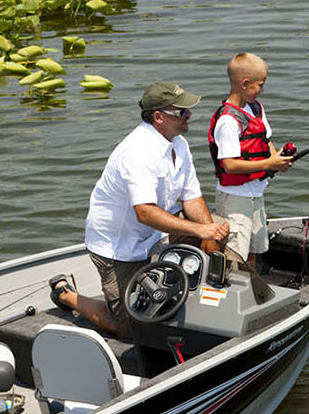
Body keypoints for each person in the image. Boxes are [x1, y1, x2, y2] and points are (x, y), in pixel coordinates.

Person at [51, 82, 229, 339]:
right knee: (127, 328)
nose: (189, 115)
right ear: (159, 117)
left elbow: (192, 198)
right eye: (182, 112)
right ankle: (66, 294)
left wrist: (209, 233)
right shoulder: (138, 152)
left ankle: (203, 298)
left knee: (219, 227)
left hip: (155, 235)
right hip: (117, 247)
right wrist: (200, 229)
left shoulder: (179, 144)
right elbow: (144, 212)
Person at [206, 52, 292, 269]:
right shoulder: (227, 121)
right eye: (260, 85)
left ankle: (252, 292)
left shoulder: (255, 108)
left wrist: (276, 159)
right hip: (235, 197)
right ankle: (231, 295)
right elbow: (230, 164)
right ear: (245, 83)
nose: (262, 89)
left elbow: (266, 139)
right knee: (235, 254)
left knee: (254, 250)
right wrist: (268, 165)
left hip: (256, 193)